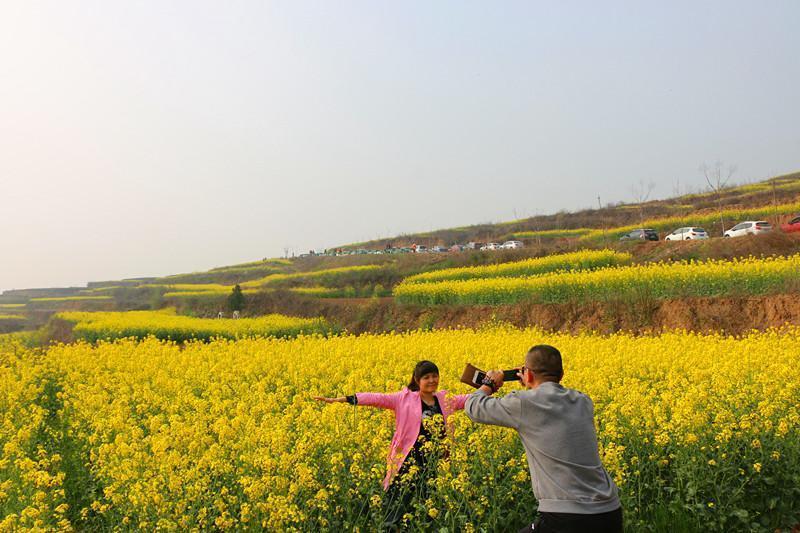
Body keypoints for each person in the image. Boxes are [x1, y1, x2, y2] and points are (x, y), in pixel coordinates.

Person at [465, 345, 622, 533]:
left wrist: (489, 383)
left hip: (566, 516)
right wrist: (532, 384)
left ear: (528, 375)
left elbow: (473, 406)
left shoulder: (524, 403)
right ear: (561, 375)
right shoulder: (583, 401)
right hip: (609, 511)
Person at [314, 360, 469, 530]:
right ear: (417, 380)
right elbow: (376, 398)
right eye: (426, 377)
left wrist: (491, 389)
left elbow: (468, 400)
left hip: (434, 460)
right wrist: (343, 399)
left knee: (426, 501)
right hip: (407, 459)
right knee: (397, 500)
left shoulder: (445, 399)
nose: (432, 380)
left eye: (435, 376)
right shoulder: (403, 399)